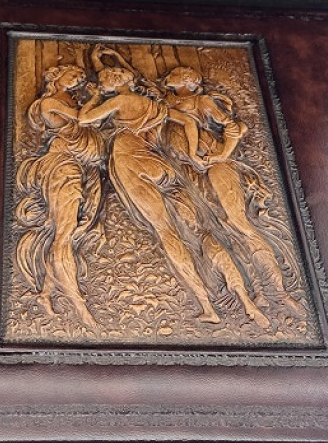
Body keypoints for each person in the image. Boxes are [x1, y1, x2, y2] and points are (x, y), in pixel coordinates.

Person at [78, 66, 269, 329]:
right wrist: (193, 155)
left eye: (103, 81)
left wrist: (93, 98)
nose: (101, 85)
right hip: (160, 164)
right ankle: (246, 301)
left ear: (113, 81)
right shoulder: (153, 105)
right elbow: (188, 122)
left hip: (132, 163)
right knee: (201, 232)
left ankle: (207, 306)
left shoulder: (120, 101)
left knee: (167, 232)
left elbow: (84, 119)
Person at [161, 65, 307, 321]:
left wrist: (222, 155)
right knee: (221, 231)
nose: (168, 76)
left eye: (174, 73)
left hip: (215, 167)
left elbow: (235, 127)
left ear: (186, 79)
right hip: (191, 173)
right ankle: (257, 290)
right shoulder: (165, 104)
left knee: (238, 224)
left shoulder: (202, 102)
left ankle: (280, 291)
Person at [14, 64, 104, 326]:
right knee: (64, 235)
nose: (78, 78)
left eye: (80, 76)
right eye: (73, 74)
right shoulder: (49, 103)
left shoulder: (72, 101)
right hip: (63, 166)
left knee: (67, 233)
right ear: (55, 77)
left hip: (82, 168)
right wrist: (97, 97)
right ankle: (80, 307)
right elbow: (83, 118)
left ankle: (46, 293)